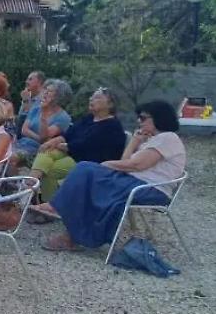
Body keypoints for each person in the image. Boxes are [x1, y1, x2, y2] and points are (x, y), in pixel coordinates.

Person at [33, 101, 186, 252]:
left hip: (150, 189)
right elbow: (126, 162)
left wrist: (106, 164)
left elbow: (137, 165)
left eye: (144, 118)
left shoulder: (168, 138)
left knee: (87, 173)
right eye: (139, 117)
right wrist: (134, 142)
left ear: (159, 118)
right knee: (86, 171)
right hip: (135, 182)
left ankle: (63, 217)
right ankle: (67, 225)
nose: (139, 121)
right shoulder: (152, 139)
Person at [27, 88, 125, 206]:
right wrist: (52, 142)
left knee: (51, 170)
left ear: (110, 104)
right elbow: (69, 134)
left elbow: (84, 146)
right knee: (46, 151)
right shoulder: (89, 118)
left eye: (97, 97)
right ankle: (30, 188)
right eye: (92, 96)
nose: (91, 99)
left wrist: (61, 145)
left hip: (90, 163)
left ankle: (42, 201)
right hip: (74, 154)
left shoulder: (112, 126)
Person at [14, 78, 72, 160]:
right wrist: (40, 139)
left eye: (50, 91)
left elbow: (43, 137)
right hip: (22, 142)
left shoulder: (63, 117)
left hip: (40, 151)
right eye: (45, 90)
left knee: (11, 158)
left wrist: (44, 114)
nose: (45, 93)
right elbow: (24, 130)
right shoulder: (36, 109)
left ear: (59, 96)